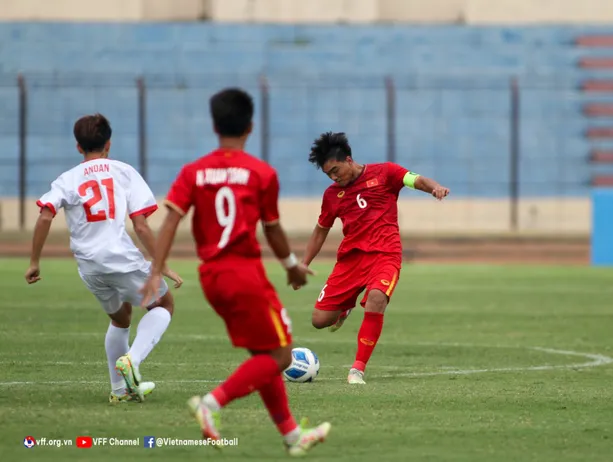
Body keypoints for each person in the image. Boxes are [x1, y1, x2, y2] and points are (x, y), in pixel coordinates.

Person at [139, 88, 331, 456]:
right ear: (251, 126)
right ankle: (210, 403)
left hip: (212, 277)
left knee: (266, 353)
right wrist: (292, 266)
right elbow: (272, 228)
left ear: (214, 125)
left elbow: (170, 222)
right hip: (244, 274)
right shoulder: (261, 173)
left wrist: (155, 270)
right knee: (281, 357)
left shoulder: (192, 172)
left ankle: (292, 435)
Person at [25, 113, 182, 403]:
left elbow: (45, 215)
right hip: (120, 257)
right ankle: (132, 361)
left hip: (89, 265)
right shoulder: (122, 171)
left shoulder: (67, 178)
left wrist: (35, 261)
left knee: (121, 319)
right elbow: (141, 225)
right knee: (164, 304)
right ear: (108, 144)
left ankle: (119, 391)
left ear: (78, 146)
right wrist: (162, 265)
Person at [296, 131, 450, 385]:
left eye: (336, 170)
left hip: (385, 254)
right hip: (351, 260)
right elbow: (320, 231)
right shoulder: (332, 195)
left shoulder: (385, 173)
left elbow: (416, 179)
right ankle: (345, 307)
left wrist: (435, 188)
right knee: (319, 321)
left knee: (377, 298)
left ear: (348, 159)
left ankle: (357, 368)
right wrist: (303, 265)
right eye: (328, 175)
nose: (334, 177)